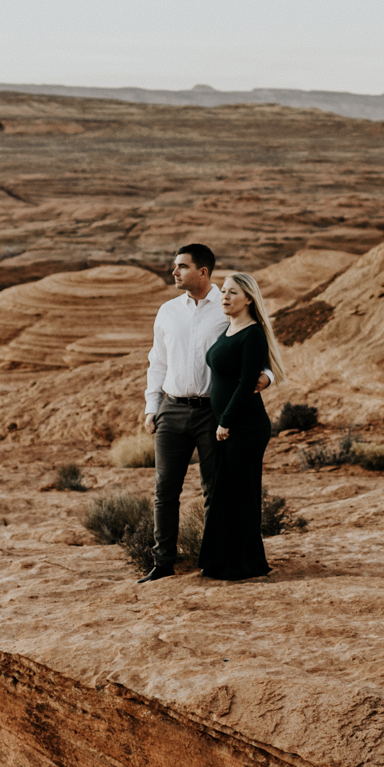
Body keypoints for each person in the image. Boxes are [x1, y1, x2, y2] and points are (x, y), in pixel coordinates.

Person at [140, 244, 268, 583]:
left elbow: (253, 344)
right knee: (165, 490)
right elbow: (158, 362)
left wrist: (266, 376)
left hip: (213, 413)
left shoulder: (227, 306)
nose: (174, 272)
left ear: (203, 272)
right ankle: (162, 562)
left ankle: (212, 560)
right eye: (175, 266)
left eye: (182, 266)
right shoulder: (167, 311)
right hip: (171, 408)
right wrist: (152, 407)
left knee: (215, 490)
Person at [200, 272, 285, 581]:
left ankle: (245, 565)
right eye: (223, 291)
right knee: (226, 493)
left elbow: (248, 382)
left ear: (248, 298)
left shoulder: (253, 334)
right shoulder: (228, 329)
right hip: (230, 426)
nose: (224, 296)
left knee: (240, 494)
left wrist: (225, 421)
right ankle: (222, 562)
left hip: (244, 427)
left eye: (232, 292)